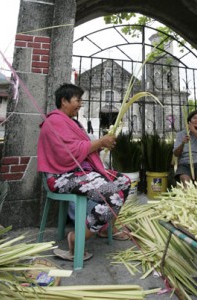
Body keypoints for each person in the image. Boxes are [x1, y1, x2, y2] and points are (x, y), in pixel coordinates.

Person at [37, 83, 131, 261]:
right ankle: (77, 239)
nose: (80, 104)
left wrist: (101, 144)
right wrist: (100, 142)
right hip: (60, 176)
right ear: (64, 101)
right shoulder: (54, 121)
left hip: (79, 171)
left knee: (123, 181)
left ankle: (105, 228)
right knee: (113, 196)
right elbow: (68, 152)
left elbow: (83, 147)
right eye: (77, 100)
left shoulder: (72, 122)